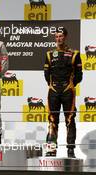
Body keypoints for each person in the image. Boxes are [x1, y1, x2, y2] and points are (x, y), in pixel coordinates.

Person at [44, 28, 83, 158]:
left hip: (68, 91)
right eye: (56, 36)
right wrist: (53, 85)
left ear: (65, 37)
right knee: (52, 120)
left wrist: (71, 85)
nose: (58, 39)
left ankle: (70, 150)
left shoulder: (74, 54)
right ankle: (50, 150)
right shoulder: (49, 54)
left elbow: (79, 75)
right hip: (53, 90)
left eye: (61, 36)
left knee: (70, 120)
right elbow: (46, 74)